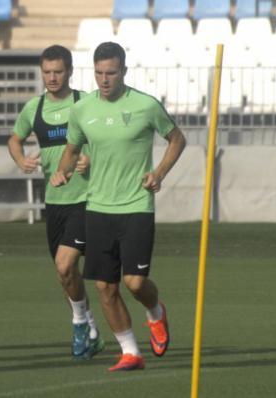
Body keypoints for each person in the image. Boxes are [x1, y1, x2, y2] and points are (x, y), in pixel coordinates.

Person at [51, 41, 186, 371]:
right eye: (98, 73)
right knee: (104, 286)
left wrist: (159, 173)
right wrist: (63, 169)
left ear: (123, 71)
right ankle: (131, 352)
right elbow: (72, 147)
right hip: (97, 208)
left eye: (110, 72)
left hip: (137, 205)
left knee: (135, 283)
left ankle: (156, 313)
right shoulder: (82, 110)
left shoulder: (145, 105)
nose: (104, 79)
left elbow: (176, 138)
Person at [8, 45, 104, 360]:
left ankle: (79, 325)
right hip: (55, 201)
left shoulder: (86, 104)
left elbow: (107, 142)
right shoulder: (34, 109)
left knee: (66, 264)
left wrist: (91, 159)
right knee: (65, 274)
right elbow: (14, 138)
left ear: (70, 72)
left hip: (87, 200)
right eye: (47, 72)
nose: (51, 77)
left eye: (58, 72)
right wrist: (21, 159)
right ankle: (90, 329)